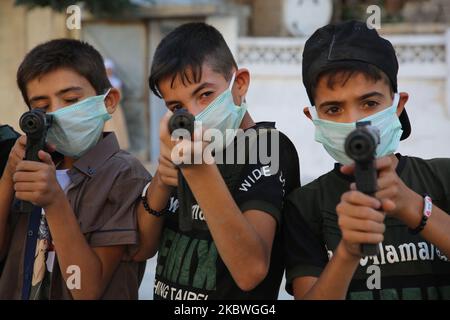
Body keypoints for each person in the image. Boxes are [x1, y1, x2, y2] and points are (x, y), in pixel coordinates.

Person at [283, 20, 450, 300]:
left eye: (370, 103)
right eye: (334, 108)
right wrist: (348, 251)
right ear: (314, 119)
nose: (354, 122)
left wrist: (417, 208)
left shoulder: (442, 178)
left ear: (398, 105)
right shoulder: (305, 206)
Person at [133, 22, 300, 300]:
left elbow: (250, 271)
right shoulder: (182, 147)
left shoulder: (266, 147)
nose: (194, 114)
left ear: (240, 84)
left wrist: (199, 170)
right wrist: (162, 180)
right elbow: (139, 249)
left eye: (206, 95)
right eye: (178, 107)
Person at [0, 39, 150, 300]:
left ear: (108, 101)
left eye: (71, 99)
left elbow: (86, 290)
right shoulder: (31, 166)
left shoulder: (123, 175)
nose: (57, 113)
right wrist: (7, 178)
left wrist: (54, 201)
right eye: (43, 107)